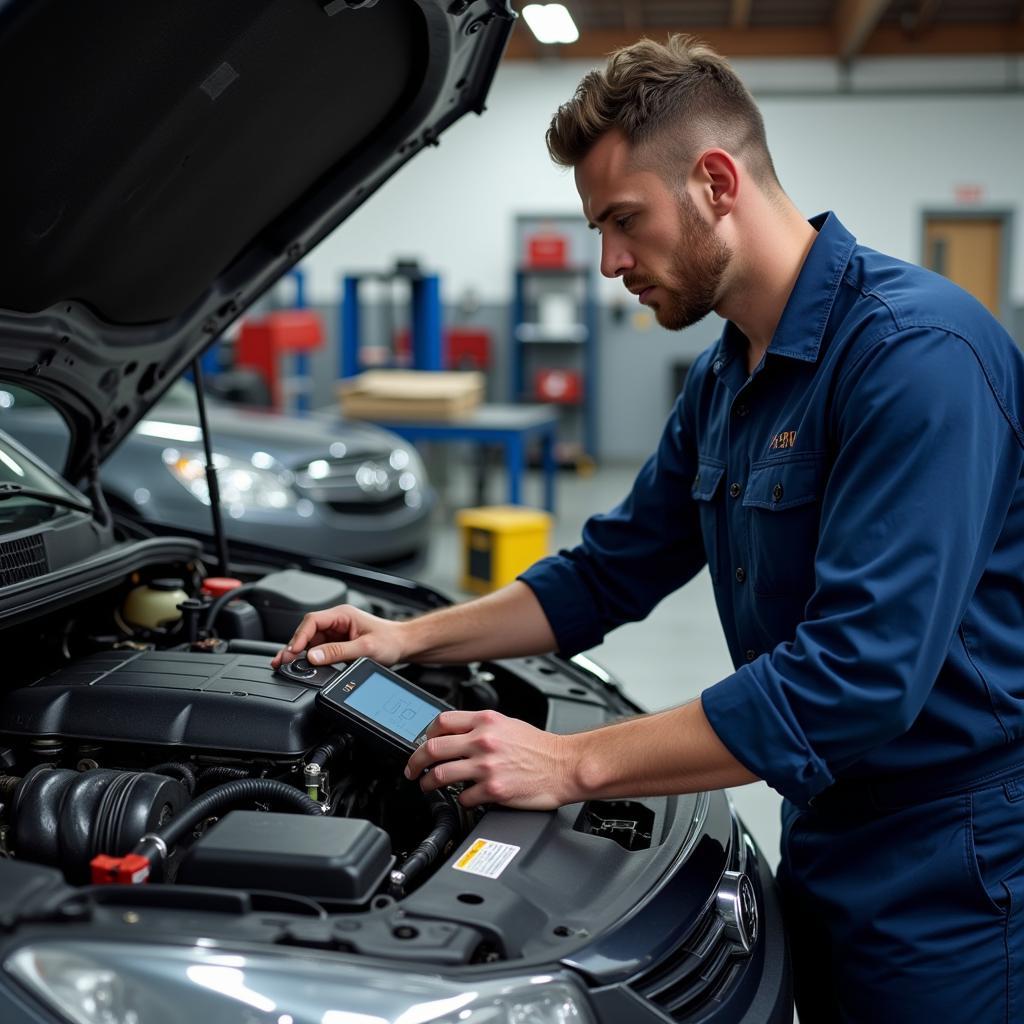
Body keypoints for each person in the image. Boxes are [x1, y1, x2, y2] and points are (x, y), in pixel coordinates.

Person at [273, 35, 1024, 1022]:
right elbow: (605, 572)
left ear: (716, 180)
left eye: (624, 221)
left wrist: (572, 761)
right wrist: (404, 636)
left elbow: (856, 676)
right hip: (827, 827)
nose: (609, 262)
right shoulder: (727, 376)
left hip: (953, 864)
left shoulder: (914, 358)